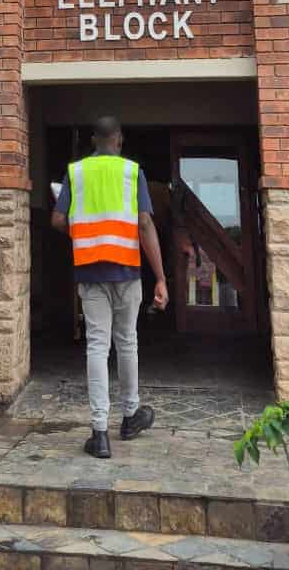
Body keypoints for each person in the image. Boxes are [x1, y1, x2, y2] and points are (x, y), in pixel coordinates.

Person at [52, 116, 169, 459]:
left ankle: (99, 432)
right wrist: (160, 277)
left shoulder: (76, 173)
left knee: (96, 347)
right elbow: (145, 224)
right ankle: (130, 417)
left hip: (90, 272)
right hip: (127, 272)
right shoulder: (132, 172)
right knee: (127, 342)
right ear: (119, 138)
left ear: (93, 139)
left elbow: (58, 220)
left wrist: (84, 232)